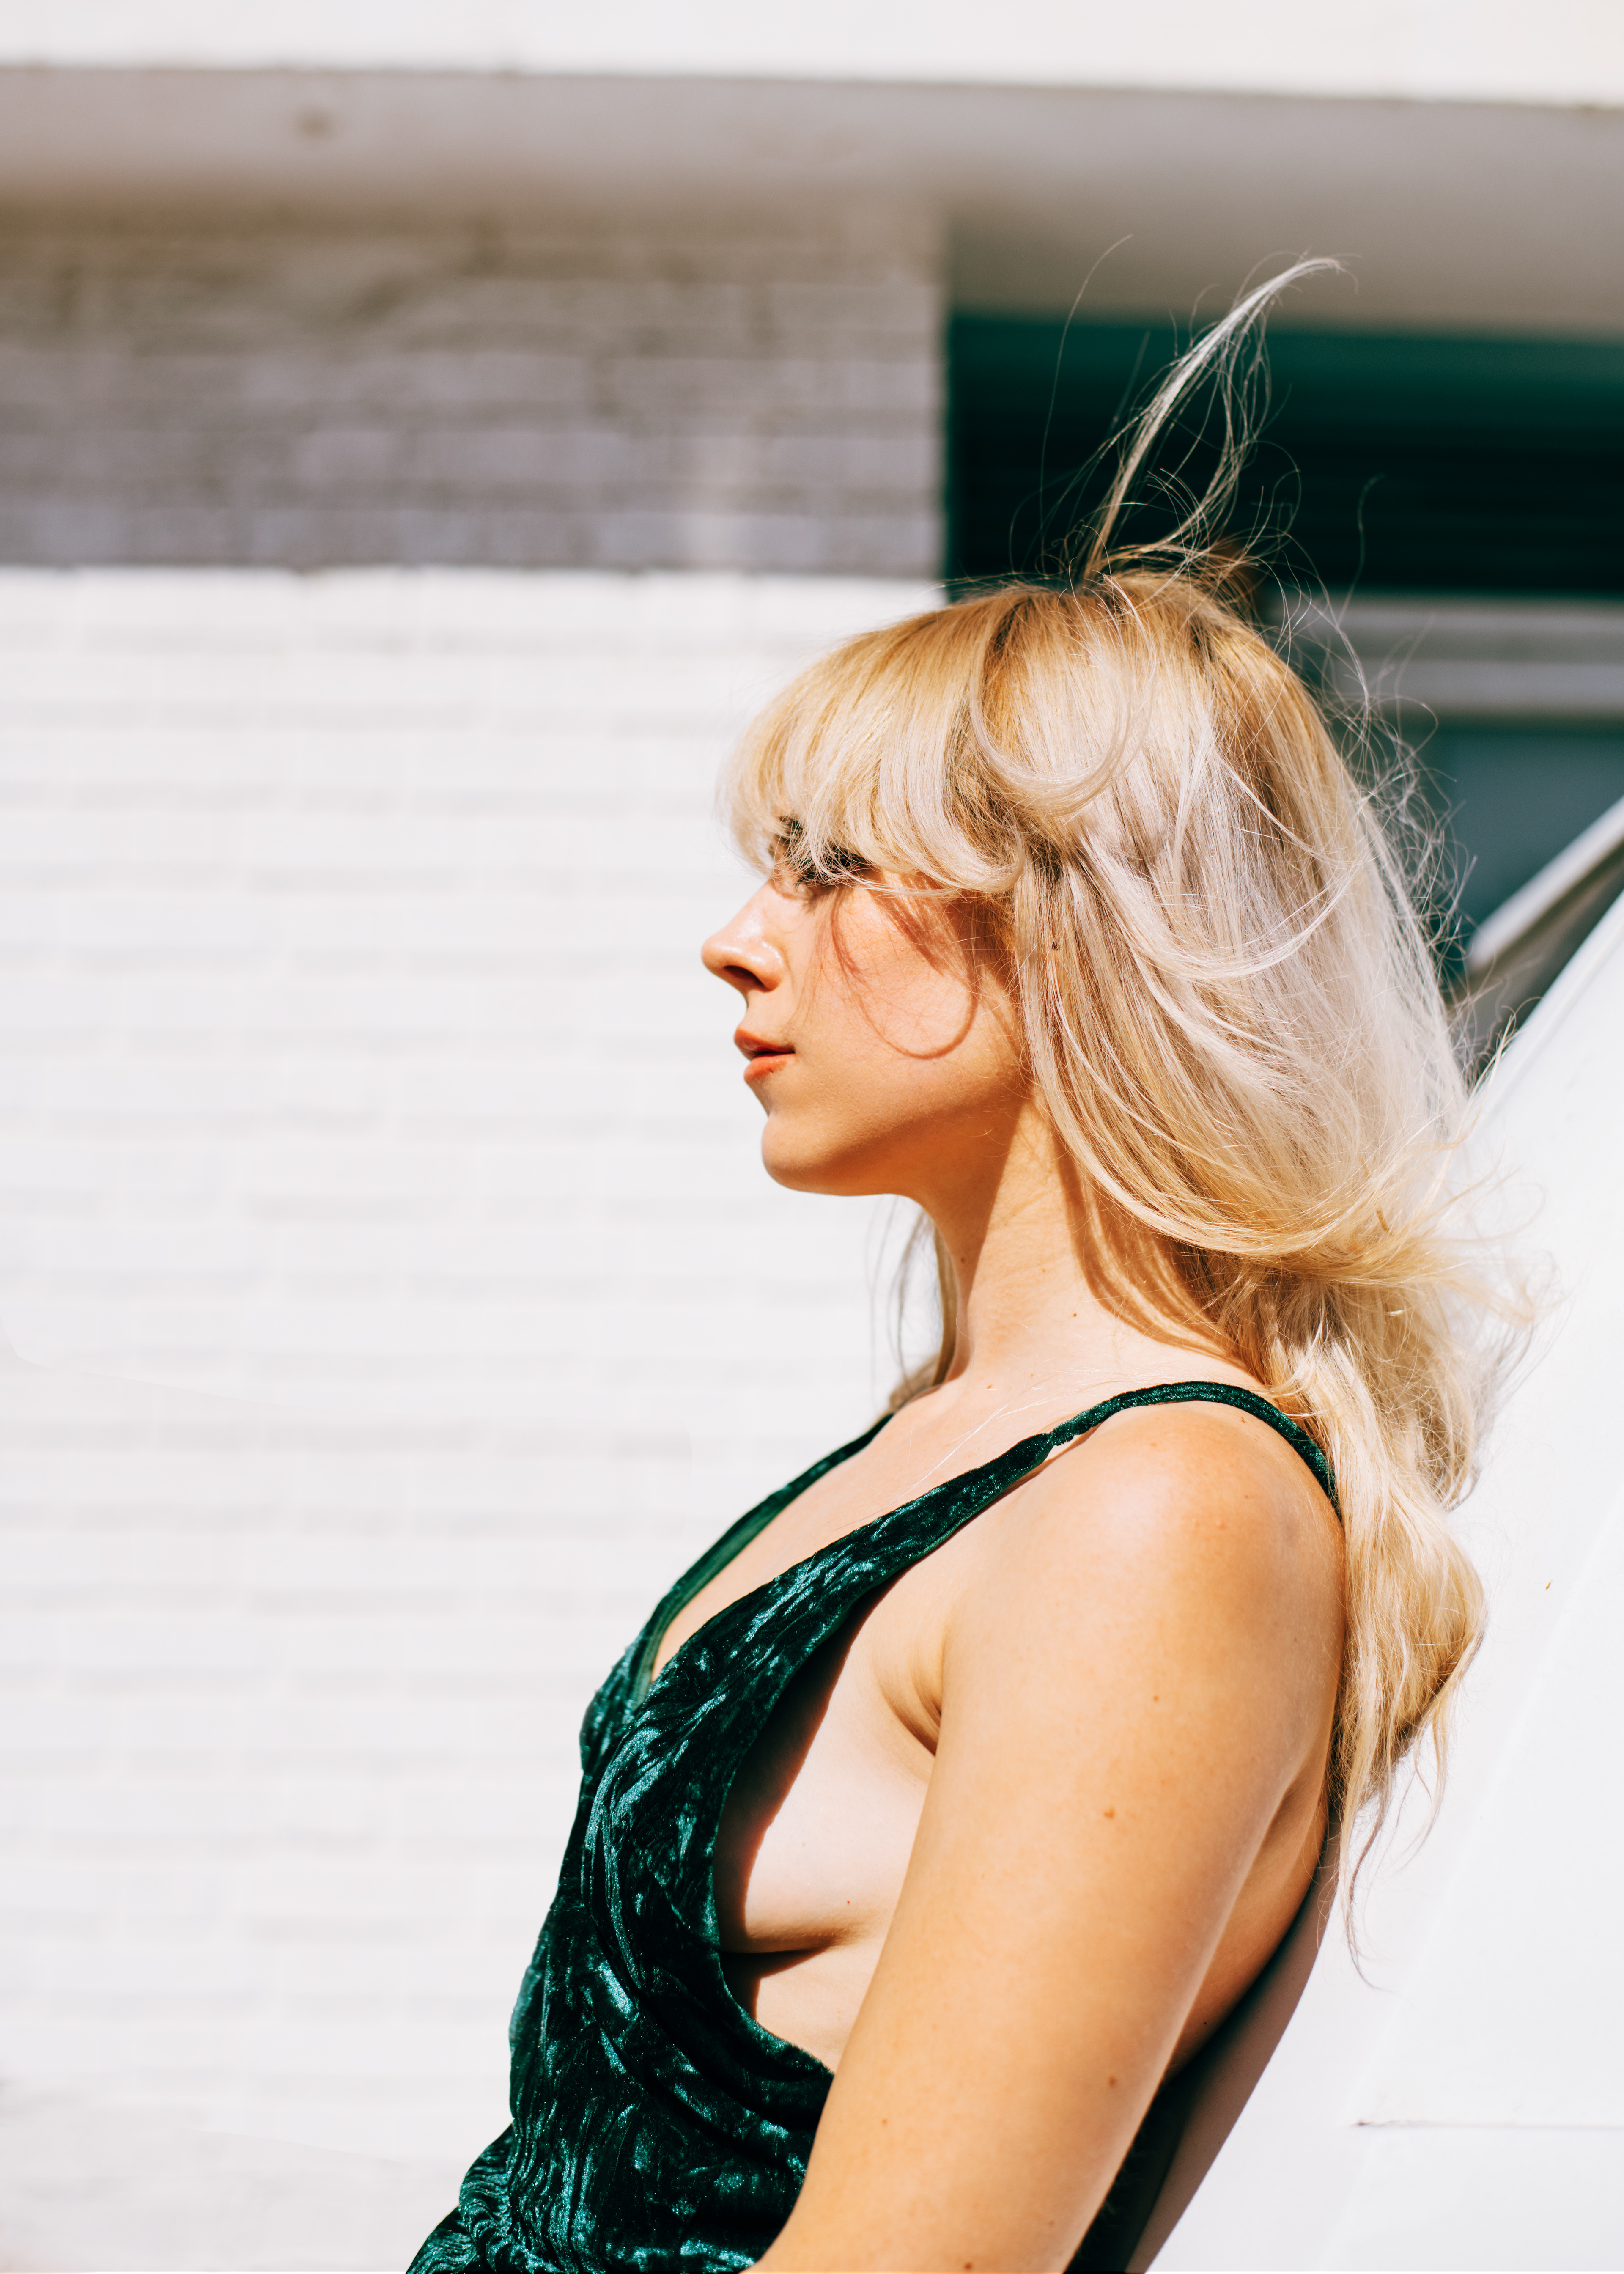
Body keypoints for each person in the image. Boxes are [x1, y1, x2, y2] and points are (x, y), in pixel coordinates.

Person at [410, 274, 1501, 2274]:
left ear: (1072, 934)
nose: (739, 938)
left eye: (832, 868)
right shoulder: (972, 1436)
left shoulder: (1158, 1511)